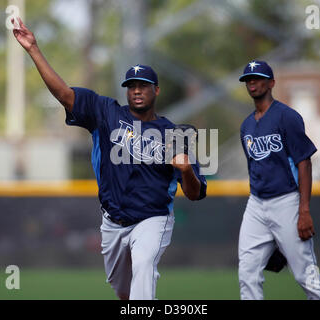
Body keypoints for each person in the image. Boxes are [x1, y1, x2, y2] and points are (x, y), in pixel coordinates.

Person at [12, 17, 207, 300]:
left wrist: (187, 170)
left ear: (157, 90)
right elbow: (64, 95)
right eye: (132, 85)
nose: (137, 90)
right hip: (112, 221)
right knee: (123, 292)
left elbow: (194, 193)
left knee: (144, 269)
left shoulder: (172, 134)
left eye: (143, 85)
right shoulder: (106, 111)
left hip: (152, 219)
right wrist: (33, 50)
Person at [238, 60, 320, 300]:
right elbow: (255, 168)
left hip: (287, 201)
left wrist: (304, 210)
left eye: (258, 78)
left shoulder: (287, 116)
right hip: (257, 203)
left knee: (305, 275)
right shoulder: (247, 125)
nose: (252, 83)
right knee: (247, 273)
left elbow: (304, 162)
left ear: (271, 83)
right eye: (249, 79)